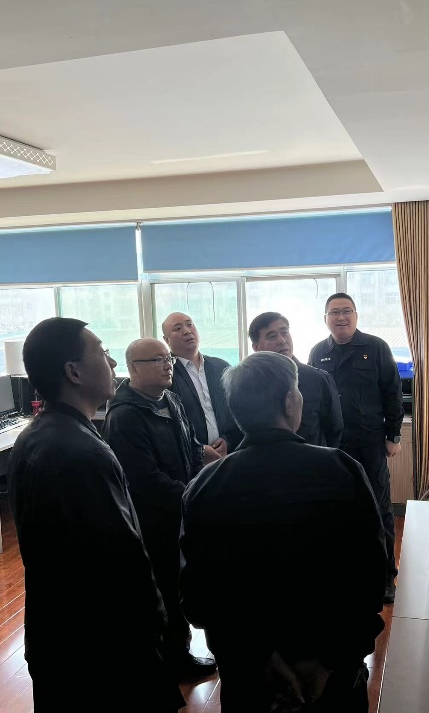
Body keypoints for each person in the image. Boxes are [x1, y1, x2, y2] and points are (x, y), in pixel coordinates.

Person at [181, 351, 387, 713]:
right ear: (291, 401)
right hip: (334, 675)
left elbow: (199, 597)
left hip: (249, 677)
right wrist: (327, 661)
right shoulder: (341, 470)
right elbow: (370, 575)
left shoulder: (205, 486)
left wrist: (261, 659)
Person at [8, 318, 184, 713]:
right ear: (73, 372)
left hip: (59, 635)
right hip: (100, 650)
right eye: (103, 353)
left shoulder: (38, 436)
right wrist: (156, 623)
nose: (113, 363)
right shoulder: (80, 453)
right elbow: (121, 558)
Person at [102, 338, 216, 682]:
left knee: (181, 582)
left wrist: (206, 472)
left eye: (168, 359)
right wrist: (191, 497)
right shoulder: (125, 416)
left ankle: (181, 649)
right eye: (157, 360)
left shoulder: (171, 399)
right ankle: (173, 659)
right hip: (153, 519)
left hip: (181, 509)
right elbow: (144, 479)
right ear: (132, 369)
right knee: (164, 586)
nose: (167, 365)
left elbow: (190, 446)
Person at [308, 292, 404, 603]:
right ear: (325, 319)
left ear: (356, 315)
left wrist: (393, 436)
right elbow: (313, 400)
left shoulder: (376, 347)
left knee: (378, 509)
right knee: (338, 510)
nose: (341, 317)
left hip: (370, 443)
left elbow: (393, 392)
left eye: (346, 311)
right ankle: (346, 573)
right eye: (334, 312)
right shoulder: (318, 352)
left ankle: (386, 576)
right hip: (334, 447)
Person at [248, 311, 343, 447]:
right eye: (272, 336)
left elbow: (334, 431)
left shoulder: (318, 380)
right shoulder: (249, 384)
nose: (282, 340)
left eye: (285, 332)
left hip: (312, 459)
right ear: (257, 348)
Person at [162, 312, 242, 459]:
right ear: (166, 340)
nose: (187, 331)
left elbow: (238, 410)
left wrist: (228, 441)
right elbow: (166, 426)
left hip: (227, 456)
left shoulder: (221, 367)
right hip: (188, 460)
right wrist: (198, 450)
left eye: (190, 324)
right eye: (178, 328)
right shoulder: (165, 374)